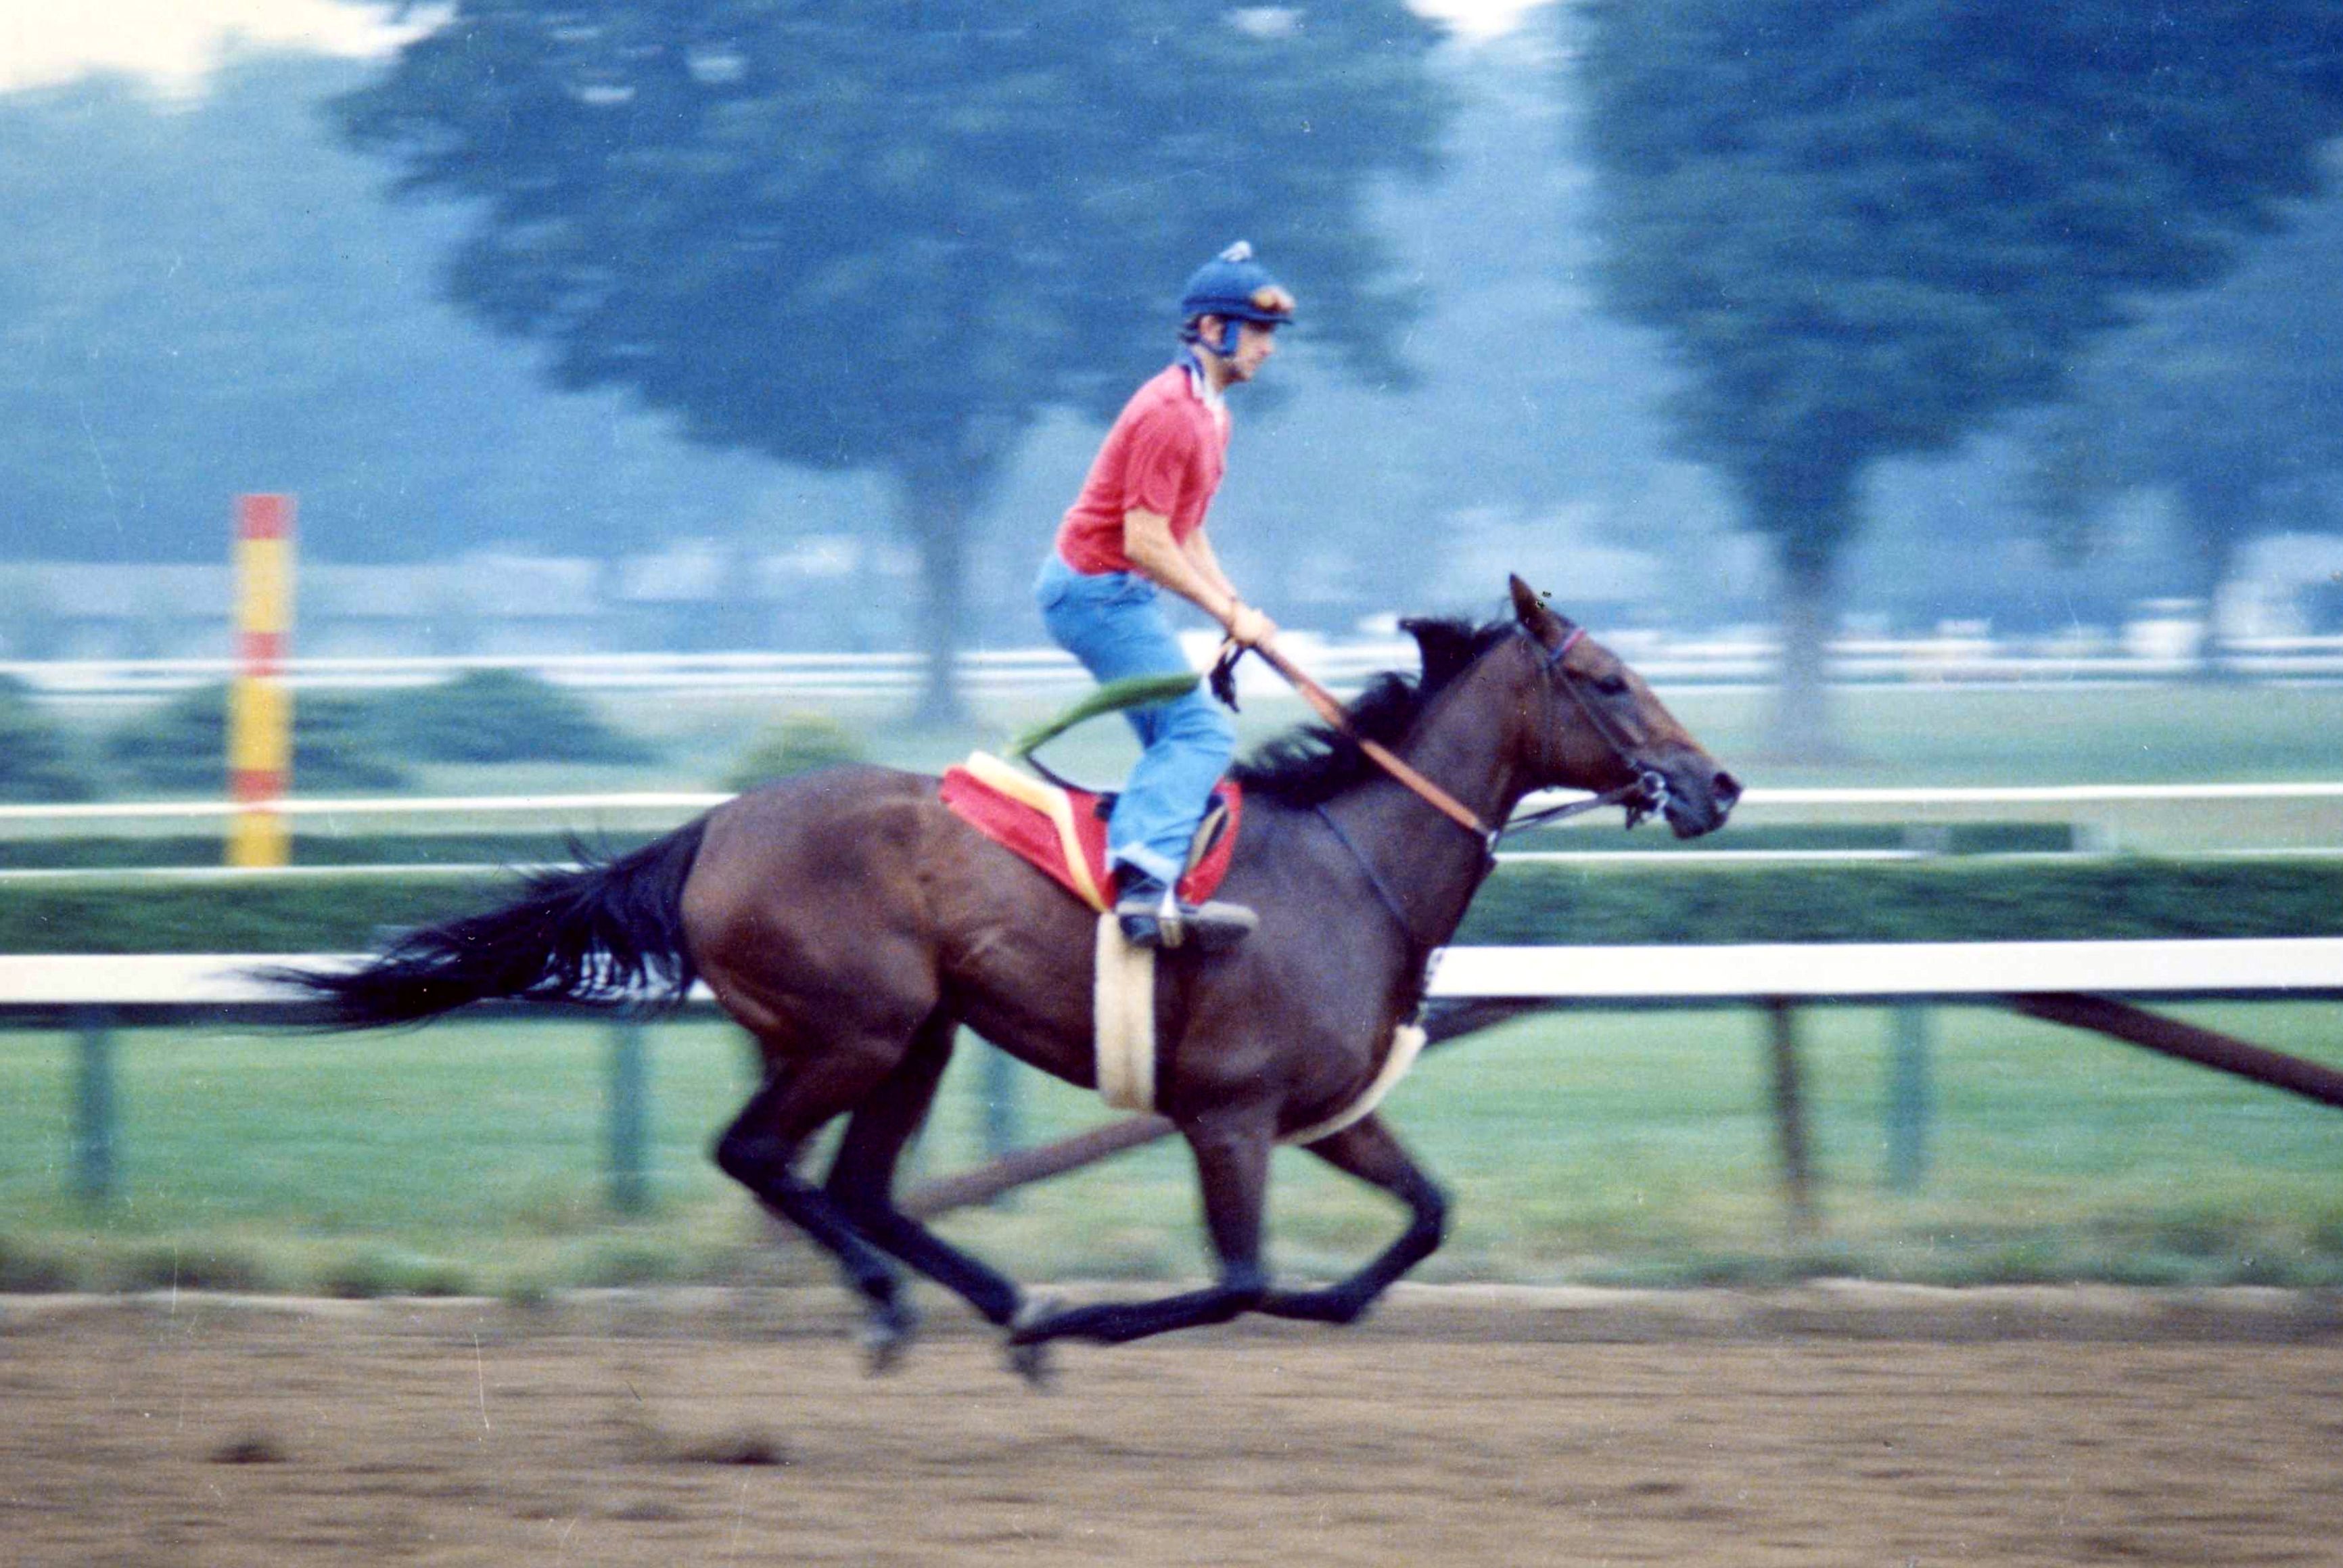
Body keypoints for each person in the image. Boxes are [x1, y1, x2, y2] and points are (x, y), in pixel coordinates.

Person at [1034, 241, 1293, 950]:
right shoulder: (1169, 412)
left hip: (1120, 593)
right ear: (1213, 331)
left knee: (1184, 745)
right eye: (1258, 331)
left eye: (1270, 334)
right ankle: (1142, 884)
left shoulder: (1212, 415)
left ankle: (1154, 866)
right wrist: (1224, 612)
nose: (1268, 349)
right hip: (1094, 594)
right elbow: (1146, 541)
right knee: (1201, 733)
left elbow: (1188, 531)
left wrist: (1240, 610)